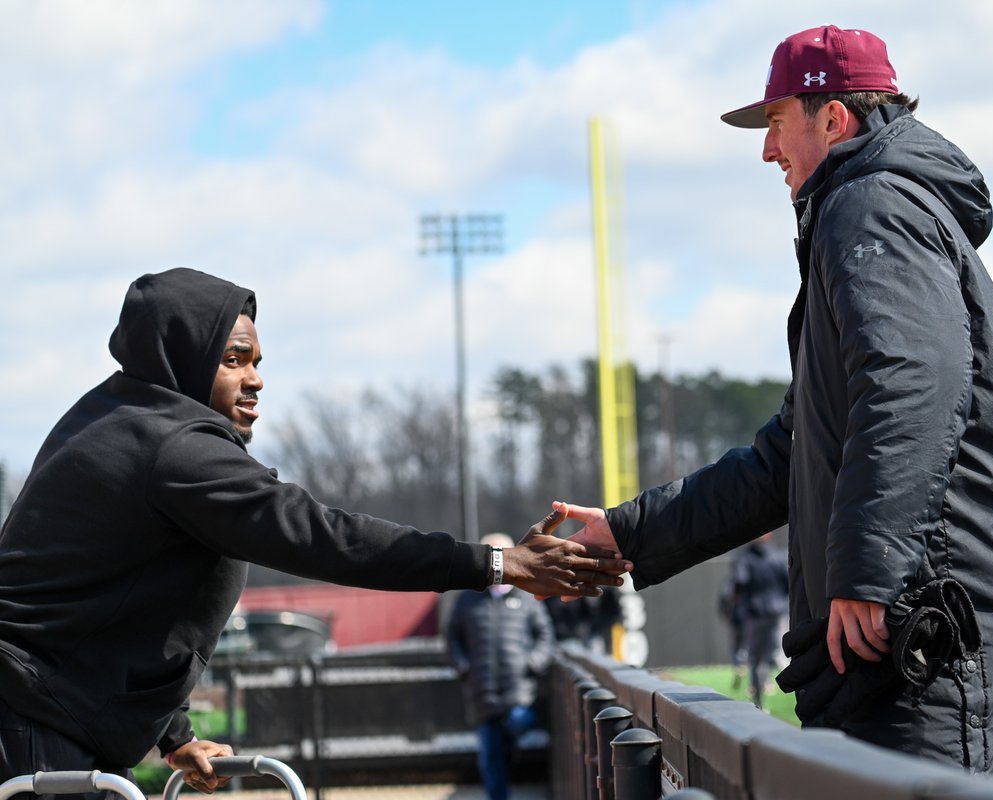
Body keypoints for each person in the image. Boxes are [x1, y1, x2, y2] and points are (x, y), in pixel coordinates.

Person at [555, 25, 993, 775]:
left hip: (944, 629)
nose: (768, 150)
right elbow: (790, 457)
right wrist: (630, 533)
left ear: (833, 120)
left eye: (776, 122)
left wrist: (871, 569)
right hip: (946, 615)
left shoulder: (871, 205)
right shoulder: (876, 207)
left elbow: (910, 385)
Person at [0, 268, 630, 798]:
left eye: (257, 362)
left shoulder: (117, 418)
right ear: (183, 355)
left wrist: (175, 734)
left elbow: (115, 600)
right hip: (34, 719)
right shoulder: (172, 445)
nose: (255, 379)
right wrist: (497, 564)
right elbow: (322, 537)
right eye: (233, 359)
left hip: (41, 713)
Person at [446, 533, 556, 800]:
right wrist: (463, 666)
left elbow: (546, 637)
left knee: (516, 728)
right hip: (483, 695)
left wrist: (533, 663)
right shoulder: (468, 598)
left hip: (519, 692)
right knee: (490, 758)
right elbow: (452, 637)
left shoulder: (527, 597)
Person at [729, 533, 789, 708]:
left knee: (756, 659)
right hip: (776, 613)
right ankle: (799, 692)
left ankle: (759, 703)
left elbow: (740, 581)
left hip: (754, 615)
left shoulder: (744, 557)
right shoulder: (778, 556)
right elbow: (788, 582)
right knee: (779, 654)